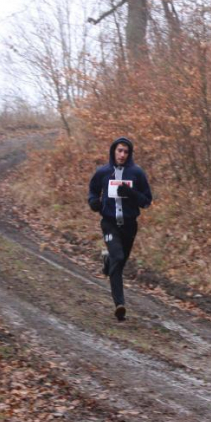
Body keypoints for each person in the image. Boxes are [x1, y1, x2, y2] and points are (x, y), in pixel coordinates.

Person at [88, 137, 152, 321]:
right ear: (113, 151)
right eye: (119, 150)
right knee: (118, 257)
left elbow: (147, 201)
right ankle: (120, 305)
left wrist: (130, 193)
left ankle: (107, 260)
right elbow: (92, 191)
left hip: (130, 225)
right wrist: (93, 202)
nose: (122, 155)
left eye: (126, 151)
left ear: (129, 154)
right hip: (109, 223)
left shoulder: (137, 173)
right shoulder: (103, 172)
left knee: (118, 263)